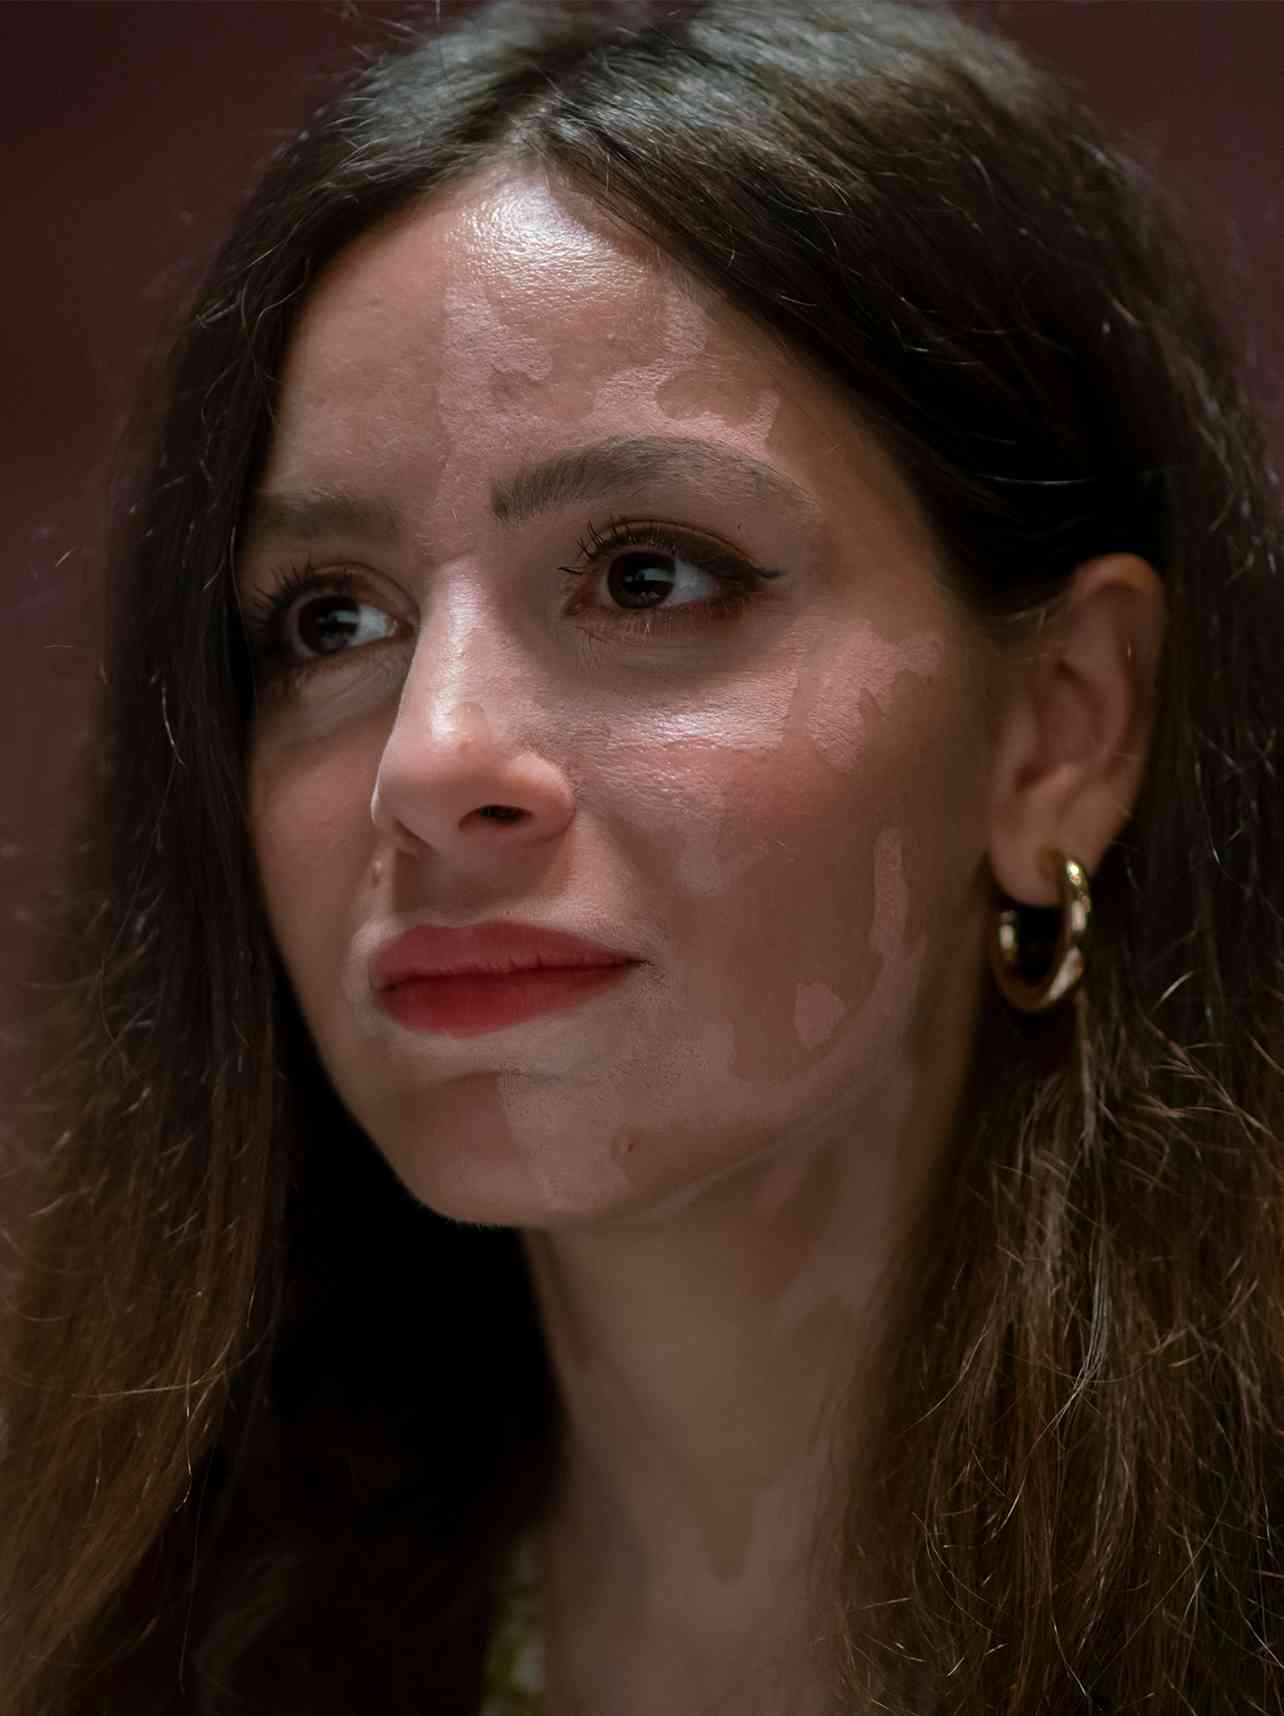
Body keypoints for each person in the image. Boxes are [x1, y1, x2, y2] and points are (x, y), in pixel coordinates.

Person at [3, 0, 1281, 1711]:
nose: (431, 761)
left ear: (1063, 730)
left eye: (647, 577)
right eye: (330, 619)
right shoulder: (117, 1646)